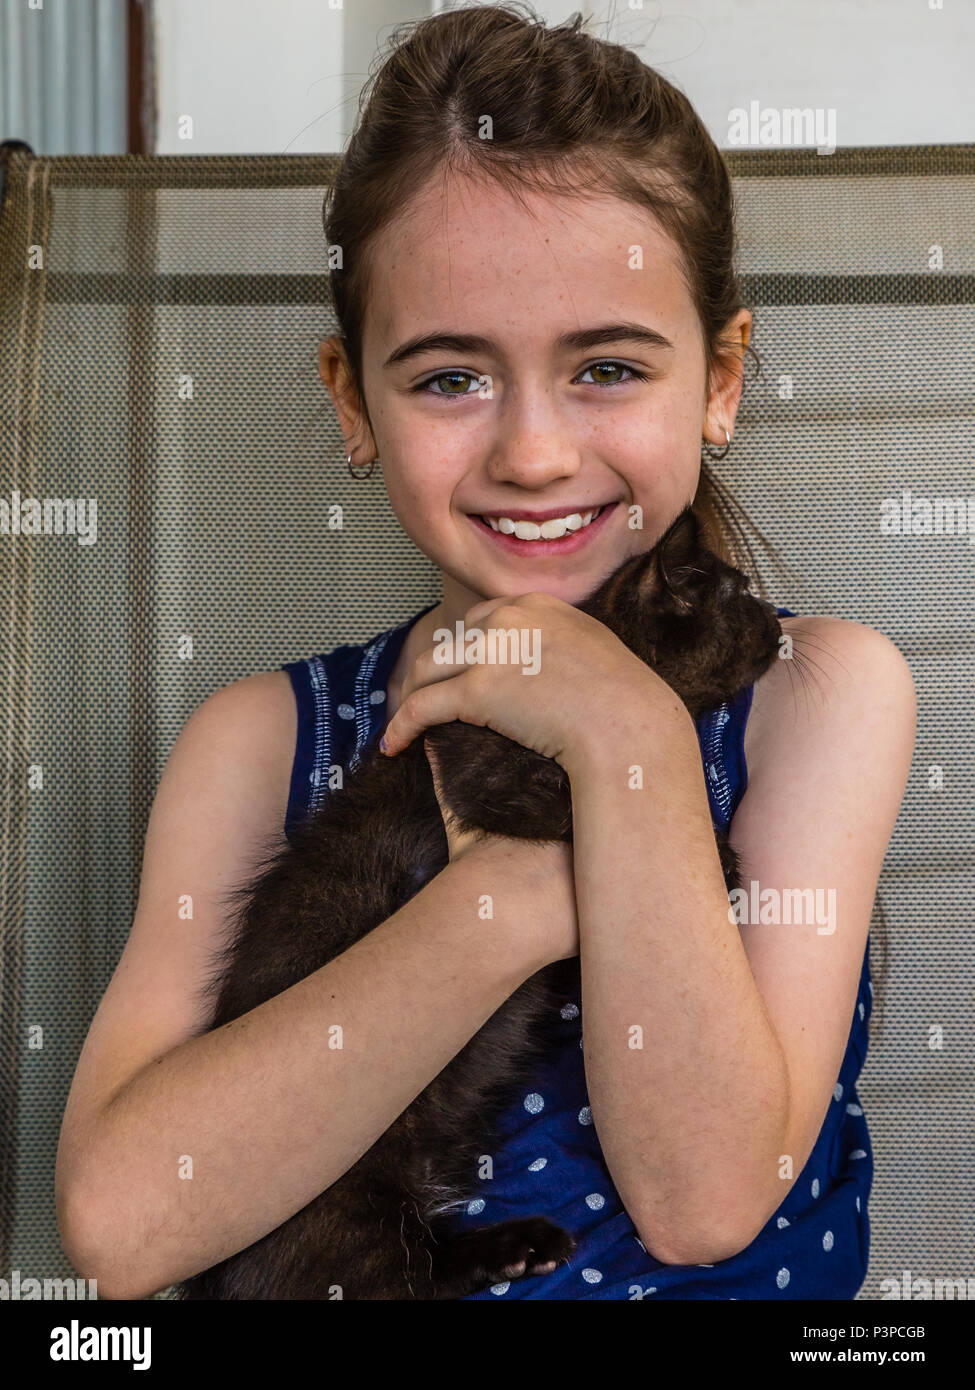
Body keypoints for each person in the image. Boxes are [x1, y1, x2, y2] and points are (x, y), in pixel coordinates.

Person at [55, 3, 915, 1300]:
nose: (532, 452)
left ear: (722, 379)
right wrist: (510, 901)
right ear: (355, 402)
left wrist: (623, 729)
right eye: (451, 378)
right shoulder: (265, 742)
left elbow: (703, 1199)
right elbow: (125, 1228)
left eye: (609, 367)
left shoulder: (814, 697)